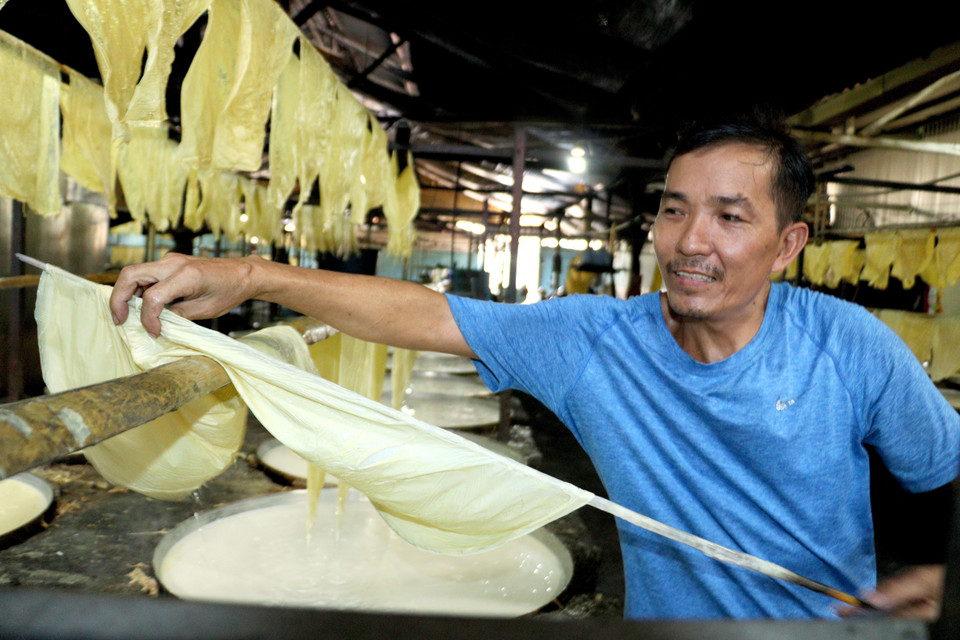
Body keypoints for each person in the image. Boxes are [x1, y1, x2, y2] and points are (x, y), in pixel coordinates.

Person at [109, 111, 959, 620]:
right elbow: (430, 315)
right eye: (674, 210)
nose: (691, 242)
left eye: (730, 217)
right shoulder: (595, 342)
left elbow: (943, 476)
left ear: (787, 245)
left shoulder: (851, 347)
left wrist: (938, 581)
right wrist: (249, 276)